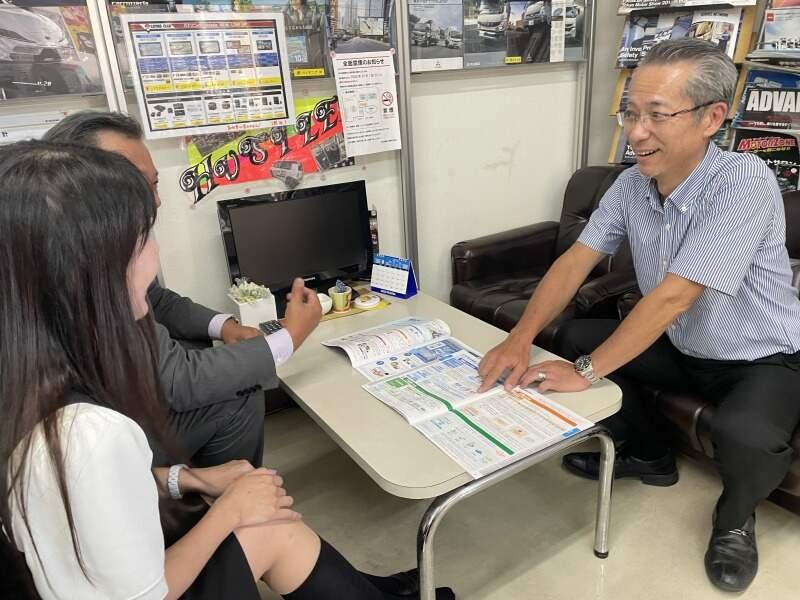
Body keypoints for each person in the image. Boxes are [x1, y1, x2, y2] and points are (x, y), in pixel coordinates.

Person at [0, 140, 456, 600]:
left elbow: (96, 496)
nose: (155, 256)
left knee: (266, 515)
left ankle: (365, 589)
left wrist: (189, 478)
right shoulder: (89, 435)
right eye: (144, 237)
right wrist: (229, 512)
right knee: (267, 524)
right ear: (87, 267)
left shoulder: (31, 383)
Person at [477, 39, 800, 593]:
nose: (635, 131)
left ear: (712, 118)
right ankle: (650, 455)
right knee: (567, 339)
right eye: (630, 112)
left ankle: (734, 520)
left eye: (657, 115)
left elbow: (675, 295)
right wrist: (521, 337)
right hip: (683, 345)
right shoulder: (631, 185)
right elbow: (576, 260)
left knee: (745, 436)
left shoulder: (744, 182)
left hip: (759, 356)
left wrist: (586, 371)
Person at [44, 111, 323, 469]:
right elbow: (179, 380)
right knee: (235, 392)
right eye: (135, 186)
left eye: (154, 184)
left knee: (205, 351)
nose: (155, 202)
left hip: (114, 408)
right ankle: (227, 503)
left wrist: (224, 326)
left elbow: (156, 299)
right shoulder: (78, 272)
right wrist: (291, 334)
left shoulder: (95, 246)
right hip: (97, 442)